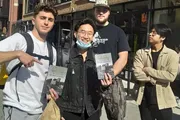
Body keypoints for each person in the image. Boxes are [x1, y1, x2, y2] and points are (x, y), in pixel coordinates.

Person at [0, 3, 58, 120]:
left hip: (40, 110)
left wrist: (51, 91)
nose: (46, 22)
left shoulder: (53, 51)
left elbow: (49, 81)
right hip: (17, 108)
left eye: (50, 20)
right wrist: (18, 53)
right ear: (33, 20)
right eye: (42, 18)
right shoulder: (20, 39)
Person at [57, 18, 112, 120]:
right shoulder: (62, 55)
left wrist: (105, 86)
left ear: (93, 37)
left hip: (92, 111)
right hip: (69, 111)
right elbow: (53, 86)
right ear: (75, 34)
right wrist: (58, 112)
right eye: (82, 32)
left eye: (90, 33)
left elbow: (102, 89)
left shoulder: (100, 58)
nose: (86, 36)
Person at [133, 23, 179, 120]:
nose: (150, 34)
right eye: (150, 32)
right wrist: (153, 79)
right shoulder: (141, 53)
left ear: (162, 37)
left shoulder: (171, 54)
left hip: (163, 99)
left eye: (154, 33)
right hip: (144, 98)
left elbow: (170, 76)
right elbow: (137, 74)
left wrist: (148, 70)